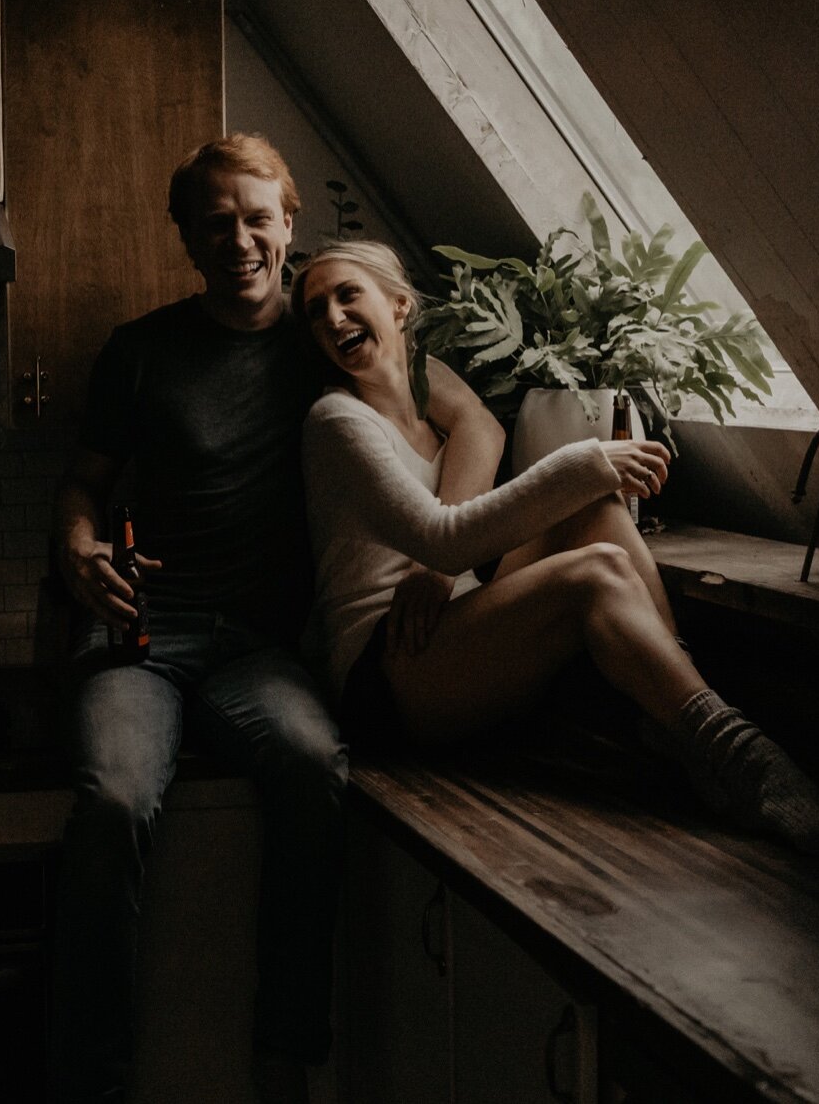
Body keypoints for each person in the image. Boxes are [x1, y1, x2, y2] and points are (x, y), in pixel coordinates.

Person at [49, 136, 503, 1104]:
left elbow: (476, 425)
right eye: (216, 222)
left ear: (288, 222)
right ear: (187, 237)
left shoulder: (328, 338)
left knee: (309, 764)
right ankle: (97, 1073)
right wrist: (79, 550)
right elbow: (82, 487)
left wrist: (439, 556)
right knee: (113, 800)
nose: (240, 239)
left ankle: (285, 1047)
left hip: (261, 649)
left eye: (257, 217)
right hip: (142, 636)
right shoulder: (140, 350)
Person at [292, 239, 819, 855]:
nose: (332, 317)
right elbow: (444, 535)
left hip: (446, 620)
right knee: (595, 571)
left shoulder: (424, 382)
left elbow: (481, 427)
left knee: (593, 512)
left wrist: (440, 570)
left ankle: (680, 724)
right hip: (386, 672)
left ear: (400, 305)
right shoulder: (337, 421)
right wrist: (587, 461)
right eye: (316, 309)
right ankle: (737, 756)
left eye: (347, 294)